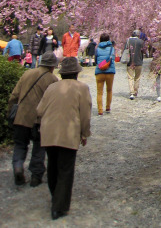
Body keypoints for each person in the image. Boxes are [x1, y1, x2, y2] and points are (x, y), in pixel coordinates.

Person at [36, 56, 91, 221]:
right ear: (76, 73)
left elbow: (39, 110)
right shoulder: (82, 88)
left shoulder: (52, 87)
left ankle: (56, 198)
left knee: (52, 167)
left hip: (48, 132)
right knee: (66, 170)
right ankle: (58, 207)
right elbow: (85, 115)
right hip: (68, 133)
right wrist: (84, 133)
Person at [7, 51, 59, 186]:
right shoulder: (52, 80)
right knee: (39, 147)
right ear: (52, 66)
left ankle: (18, 167)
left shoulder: (27, 73)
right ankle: (36, 176)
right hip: (38, 120)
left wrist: (10, 112)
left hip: (21, 117)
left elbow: (14, 95)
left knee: (20, 145)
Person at [94, 34, 116, 115]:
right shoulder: (111, 48)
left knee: (99, 92)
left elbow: (96, 60)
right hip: (110, 71)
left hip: (99, 71)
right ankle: (108, 107)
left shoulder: (97, 48)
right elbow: (113, 59)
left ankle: (100, 110)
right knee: (109, 90)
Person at [122, 30, 144, 99]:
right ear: (138, 35)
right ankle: (135, 91)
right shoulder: (141, 42)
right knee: (137, 78)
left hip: (130, 62)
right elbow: (143, 51)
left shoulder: (128, 41)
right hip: (139, 62)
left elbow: (125, 50)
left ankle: (131, 93)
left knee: (130, 77)